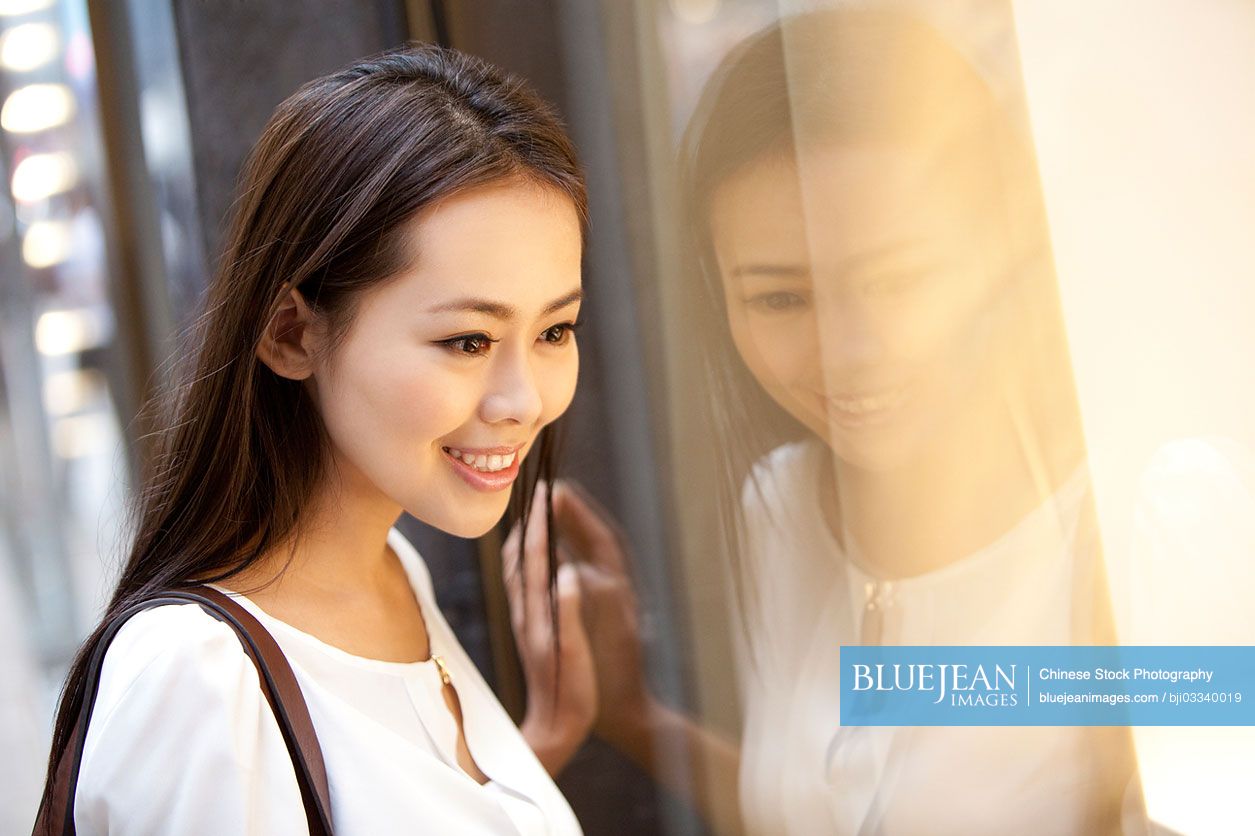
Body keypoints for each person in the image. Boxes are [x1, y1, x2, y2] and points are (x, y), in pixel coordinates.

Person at [531, 9, 1152, 835]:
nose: (848, 353)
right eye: (778, 297)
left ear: (1001, 252)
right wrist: (635, 716)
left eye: (899, 280)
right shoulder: (779, 508)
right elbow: (833, 813)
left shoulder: (1121, 539)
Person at [36, 44, 595, 835]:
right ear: (291, 333)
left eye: (556, 330)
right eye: (468, 340)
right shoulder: (196, 683)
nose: (524, 399)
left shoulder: (391, 570)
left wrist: (542, 750)